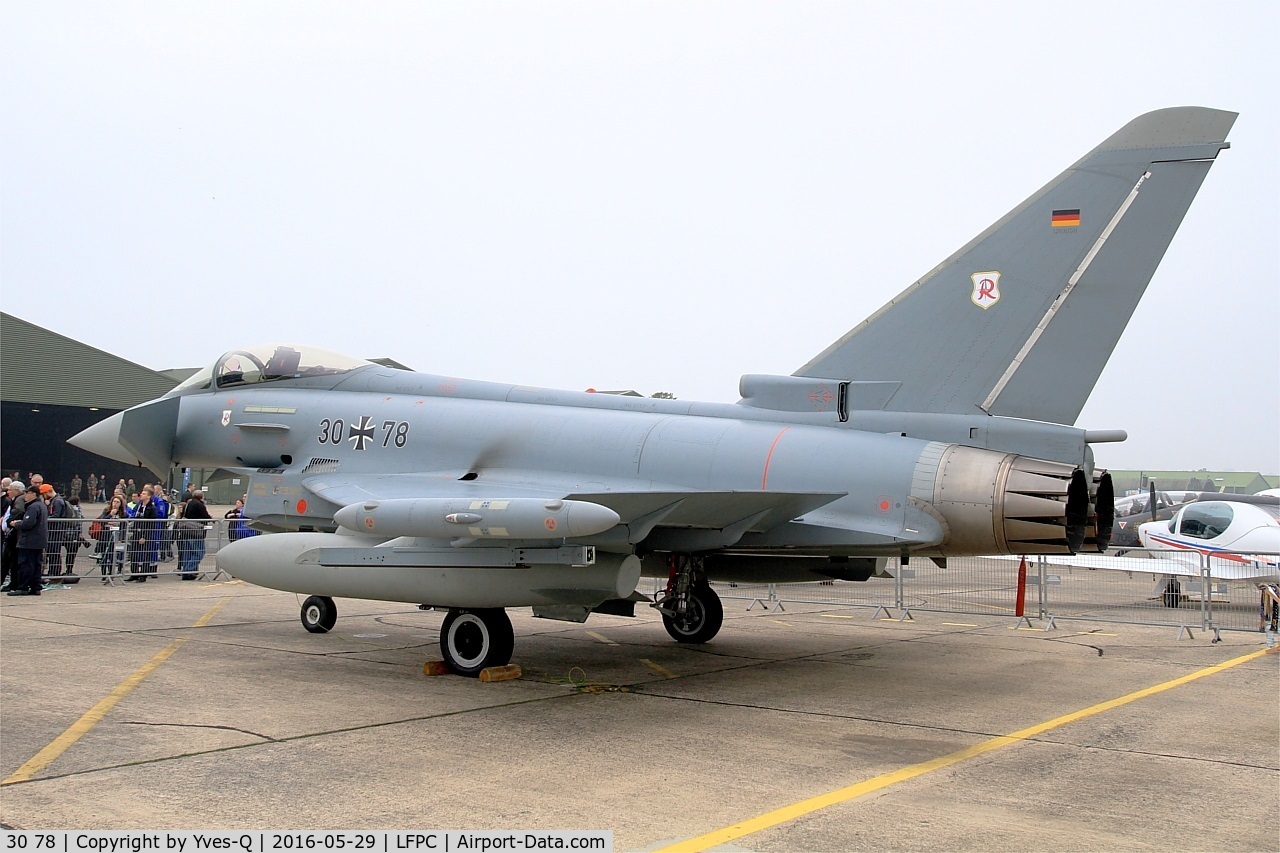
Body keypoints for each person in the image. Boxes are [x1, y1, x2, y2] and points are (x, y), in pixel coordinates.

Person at [7, 484, 48, 596]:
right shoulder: (42, 505)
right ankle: (36, 587)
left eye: (27, 493)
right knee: (36, 565)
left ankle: (23, 587)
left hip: (29, 541)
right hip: (39, 540)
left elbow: (29, 523)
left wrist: (17, 524)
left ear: (33, 494)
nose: (25, 495)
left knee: (25, 564)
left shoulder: (33, 507)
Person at [177, 491, 213, 580]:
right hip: (195, 532)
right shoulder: (199, 505)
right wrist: (211, 518)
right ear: (202, 496)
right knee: (199, 552)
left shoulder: (188, 504)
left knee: (187, 552)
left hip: (186, 531)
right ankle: (188, 570)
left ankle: (186, 571)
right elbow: (205, 516)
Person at [126, 488, 158, 582]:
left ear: (149, 496)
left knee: (145, 554)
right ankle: (134, 573)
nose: (141, 495)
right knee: (134, 553)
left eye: (144, 494)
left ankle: (143, 574)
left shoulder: (151, 508)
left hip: (145, 533)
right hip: (136, 531)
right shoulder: (139, 506)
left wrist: (145, 536)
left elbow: (151, 524)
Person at [94, 495, 129, 581]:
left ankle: (111, 573)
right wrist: (110, 514)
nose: (115, 504)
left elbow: (124, 525)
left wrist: (122, 538)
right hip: (105, 536)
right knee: (104, 555)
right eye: (114, 502)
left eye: (117, 502)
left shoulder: (123, 514)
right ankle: (103, 574)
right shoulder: (106, 511)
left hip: (116, 536)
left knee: (112, 555)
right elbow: (102, 522)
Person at [1, 480, 25, 590]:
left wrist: (10, 521)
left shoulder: (19, 500)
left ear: (16, 490)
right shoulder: (13, 500)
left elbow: (18, 511)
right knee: (8, 559)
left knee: (11, 559)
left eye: (10, 489)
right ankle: (12, 582)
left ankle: (14, 583)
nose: (7, 491)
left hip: (14, 535)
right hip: (10, 534)